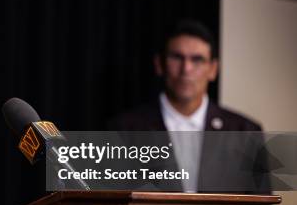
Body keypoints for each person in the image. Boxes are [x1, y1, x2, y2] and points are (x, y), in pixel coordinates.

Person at [108, 19, 264, 191]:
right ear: (159, 64)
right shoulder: (124, 130)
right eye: (177, 57)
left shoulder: (245, 132)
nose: (186, 69)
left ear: (213, 69)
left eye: (197, 60)